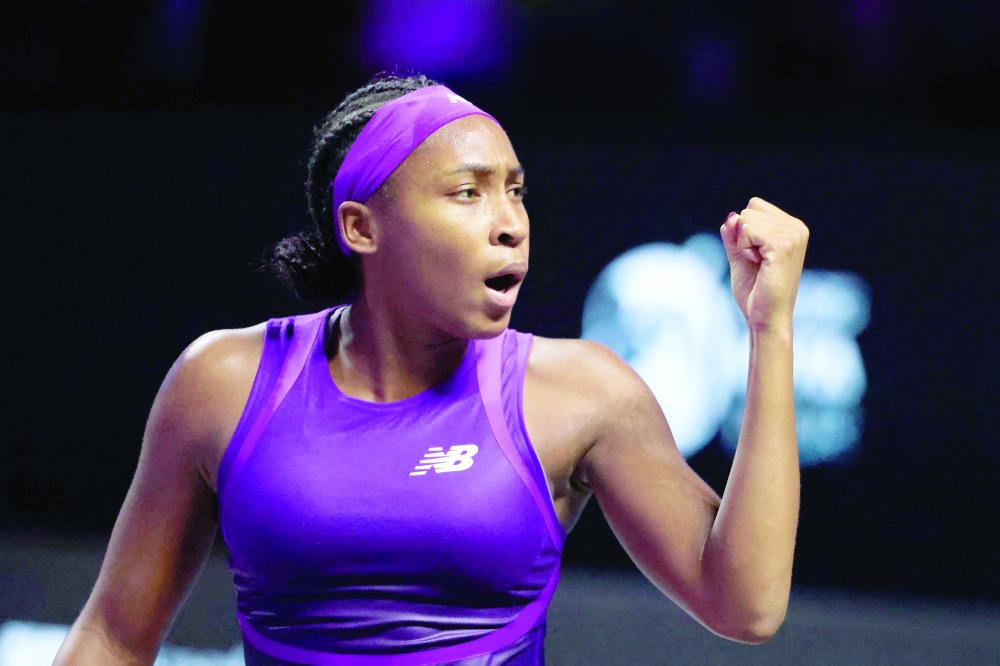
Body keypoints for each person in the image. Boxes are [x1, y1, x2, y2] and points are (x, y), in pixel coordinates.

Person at [53, 74, 808, 666]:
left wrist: (769, 330)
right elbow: (115, 640)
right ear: (362, 227)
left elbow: (744, 605)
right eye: (467, 193)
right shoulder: (222, 383)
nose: (510, 222)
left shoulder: (580, 394)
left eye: (515, 190)